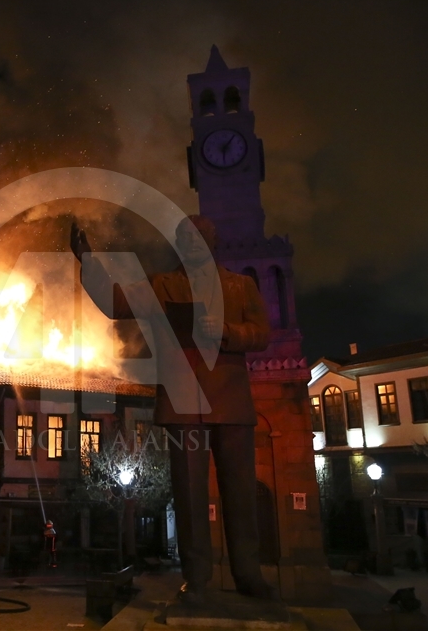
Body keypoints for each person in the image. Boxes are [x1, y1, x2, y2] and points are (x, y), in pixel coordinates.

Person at [71, 215, 273, 603]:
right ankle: (196, 579)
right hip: (184, 406)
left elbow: (262, 332)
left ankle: (249, 574)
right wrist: (88, 260)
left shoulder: (239, 286)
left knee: (241, 494)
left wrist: (227, 332)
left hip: (229, 402)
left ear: (213, 240)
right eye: (184, 237)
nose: (191, 242)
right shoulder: (162, 286)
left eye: (199, 236)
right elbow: (115, 302)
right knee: (189, 496)